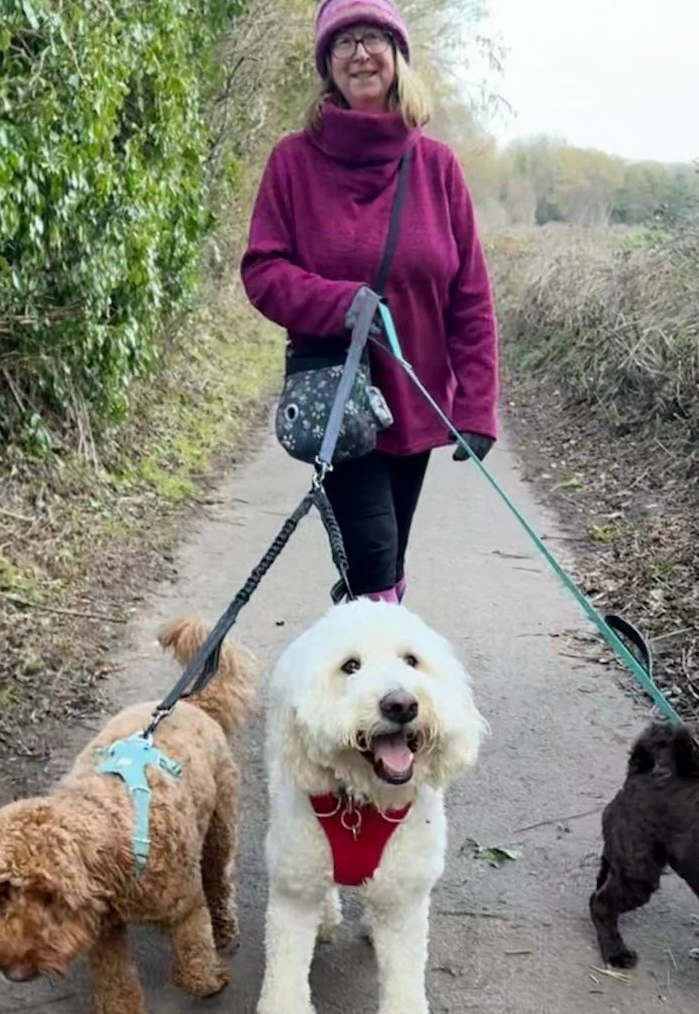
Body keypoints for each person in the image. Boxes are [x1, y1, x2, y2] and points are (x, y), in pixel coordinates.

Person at [240, 0, 499, 606]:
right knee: (376, 560)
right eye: (344, 41)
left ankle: (355, 643)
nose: (360, 54)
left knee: (382, 562)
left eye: (373, 38)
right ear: (327, 63)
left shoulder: (437, 166)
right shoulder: (292, 161)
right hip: (337, 398)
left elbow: (470, 295)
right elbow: (262, 271)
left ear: (398, 55)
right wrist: (338, 304)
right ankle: (377, 651)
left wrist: (477, 404)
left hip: (416, 397)